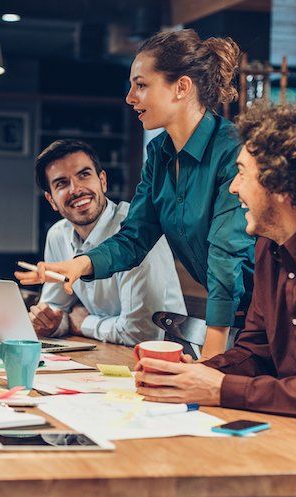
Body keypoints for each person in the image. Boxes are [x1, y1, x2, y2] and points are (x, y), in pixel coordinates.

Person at [134, 102, 296, 427]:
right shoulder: (270, 246)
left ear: (281, 184)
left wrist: (221, 388)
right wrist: (200, 373)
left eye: (241, 173)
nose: (233, 187)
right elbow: (257, 352)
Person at [16, 29, 255, 359]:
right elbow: (134, 237)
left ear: (181, 88)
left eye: (141, 85)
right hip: (239, 320)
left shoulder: (232, 149)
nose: (130, 97)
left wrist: (212, 361)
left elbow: (226, 256)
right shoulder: (158, 154)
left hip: (272, 312)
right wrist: (80, 265)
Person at [30, 139, 186, 345]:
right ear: (51, 200)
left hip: (166, 356)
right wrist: (50, 322)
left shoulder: (138, 230)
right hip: (105, 351)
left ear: (102, 180)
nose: (76, 189)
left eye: (84, 175)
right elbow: (56, 311)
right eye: (62, 183)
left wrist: (84, 323)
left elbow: (142, 333)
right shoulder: (57, 235)